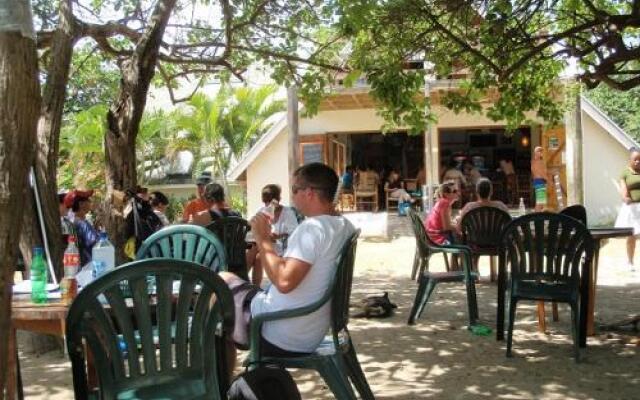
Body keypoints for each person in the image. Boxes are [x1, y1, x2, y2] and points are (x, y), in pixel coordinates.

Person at [220, 162, 356, 370]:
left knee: (216, 291)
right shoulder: (343, 226)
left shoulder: (313, 228)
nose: (292, 196)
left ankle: (218, 387)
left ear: (309, 192)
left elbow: (284, 281)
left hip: (280, 331)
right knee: (225, 281)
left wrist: (263, 239)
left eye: (295, 190)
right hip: (308, 329)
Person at [247, 184, 299, 285]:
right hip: (265, 244)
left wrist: (278, 236)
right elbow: (252, 225)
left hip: (280, 245)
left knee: (256, 253)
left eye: (270, 201)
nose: (268, 205)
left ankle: (243, 280)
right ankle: (252, 285)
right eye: (265, 202)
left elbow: (295, 233)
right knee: (256, 255)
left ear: (278, 199)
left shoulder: (287, 213)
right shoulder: (263, 211)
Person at [615, 148, 640, 272]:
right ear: (630, 160)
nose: (638, 162)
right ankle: (630, 262)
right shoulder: (625, 173)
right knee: (632, 236)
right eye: (635, 159)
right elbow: (623, 189)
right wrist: (625, 197)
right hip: (632, 208)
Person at [64, 189, 99, 266]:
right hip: (89, 267)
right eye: (88, 200)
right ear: (81, 204)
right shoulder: (83, 224)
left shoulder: (72, 222)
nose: (90, 202)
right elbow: (96, 243)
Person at [531, 146, 550, 211]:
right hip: (539, 181)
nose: (541, 153)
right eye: (539, 151)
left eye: (541, 151)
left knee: (541, 202)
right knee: (540, 202)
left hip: (539, 181)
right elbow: (541, 173)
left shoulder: (536, 161)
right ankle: (536, 217)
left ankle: (538, 217)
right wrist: (549, 181)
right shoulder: (537, 162)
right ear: (535, 153)